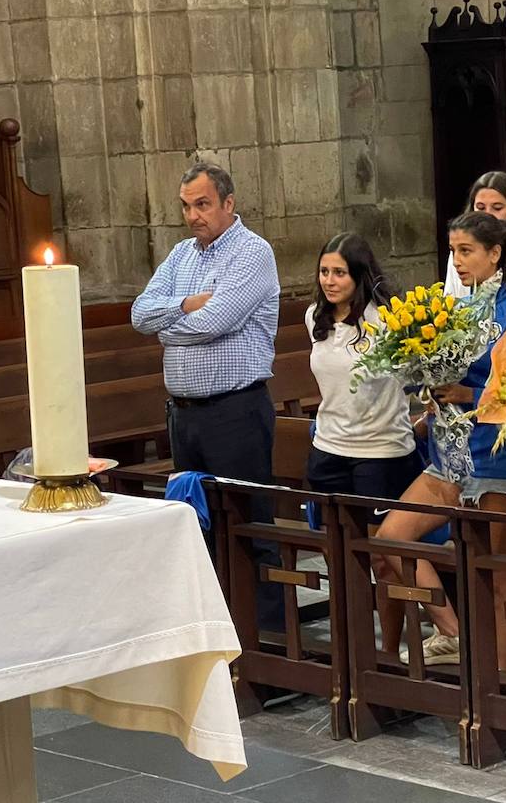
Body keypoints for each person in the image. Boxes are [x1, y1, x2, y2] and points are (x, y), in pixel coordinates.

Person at [375, 212, 506, 669]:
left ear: (495, 254)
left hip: (500, 462)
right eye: (453, 251)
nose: (457, 260)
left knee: (498, 574)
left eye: (466, 250)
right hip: (452, 456)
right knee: (393, 536)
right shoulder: (458, 310)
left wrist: (468, 393)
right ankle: (457, 634)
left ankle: (500, 680)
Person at [131, 162, 283, 628]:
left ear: (227, 204)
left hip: (235, 412)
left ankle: (269, 642)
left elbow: (215, 321)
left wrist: (169, 327)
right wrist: (183, 304)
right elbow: (139, 313)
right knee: (201, 526)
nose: (193, 215)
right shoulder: (181, 256)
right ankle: (218, 631)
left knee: (248, 526)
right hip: (186, 416)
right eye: (186, 206)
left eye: (203, 204)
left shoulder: (252, 253)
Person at [304, 233, 424, 509]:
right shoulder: (314, 317)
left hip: (380, 450)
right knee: (336, 544)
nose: (329, 281)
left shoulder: (388, 319)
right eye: (324, 272)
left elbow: (413, 377)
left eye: (339, 273)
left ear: (359, 275)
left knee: (380, 547)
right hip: (328, 447)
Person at [442, 171, 506, 298]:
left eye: (497, 208)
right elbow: (450, 299)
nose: (488, 214)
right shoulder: (458, 253)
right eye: (480, 207)